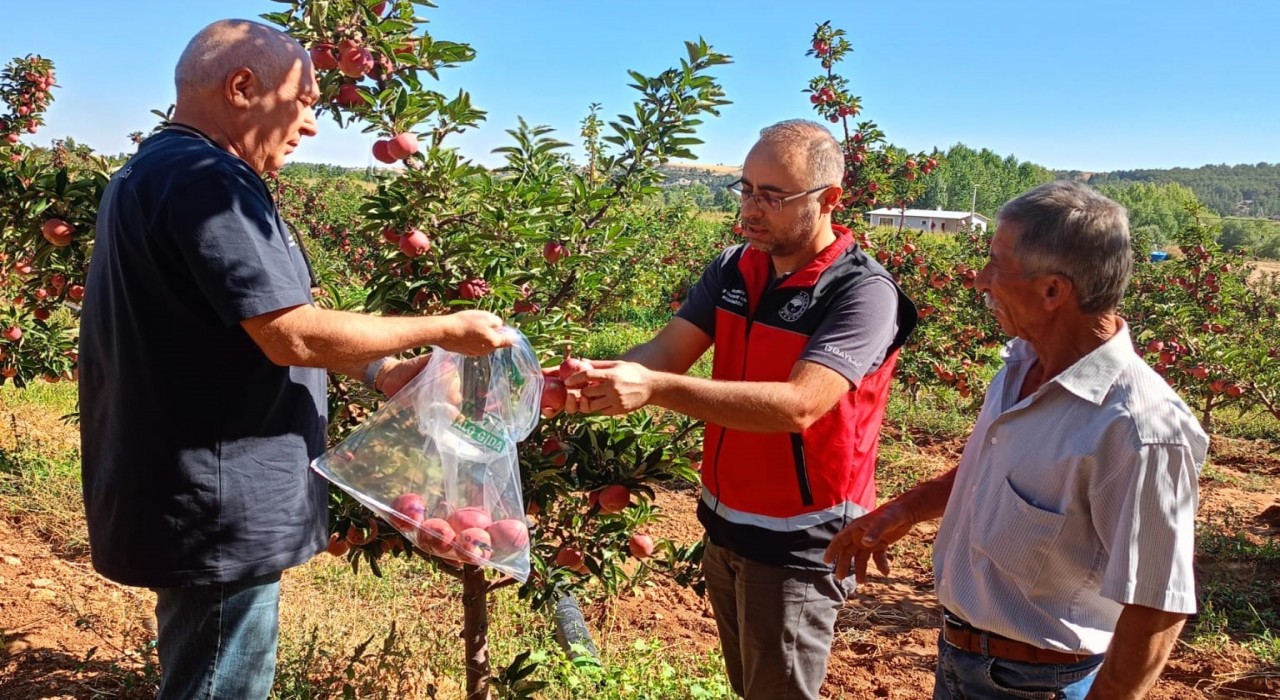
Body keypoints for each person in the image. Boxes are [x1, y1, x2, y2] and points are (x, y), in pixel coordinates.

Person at [78, 19, 511, 700]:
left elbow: (238, 325)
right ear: (243, 87)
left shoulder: (158, 169)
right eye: (306, 100)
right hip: (218, 494)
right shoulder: (206, 182)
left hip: (187, 484)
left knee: (203, 666)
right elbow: (292, 334)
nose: (311, 124)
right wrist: (446, 327)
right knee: (221, 683)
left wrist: (381, 371)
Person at [562, 119, 918, 699]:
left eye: (773, 196)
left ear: (829, 200)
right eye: (747, 189)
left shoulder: (861, 293)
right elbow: (666, 350)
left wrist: (652, 388)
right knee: (747, 686)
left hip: (802, 540)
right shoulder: (735, 267)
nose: (752, 208)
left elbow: (800, 406)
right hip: (725, 522)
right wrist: (588, 378)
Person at [824, 180, 1208, 700]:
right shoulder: (1021, 364)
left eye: (997, 265)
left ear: (1053, 291)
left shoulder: (1141, 429)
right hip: (963, 661)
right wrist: (901, 511)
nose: (981, 280)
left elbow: (1158, 603)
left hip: (1040, 685)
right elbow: (996, 472)